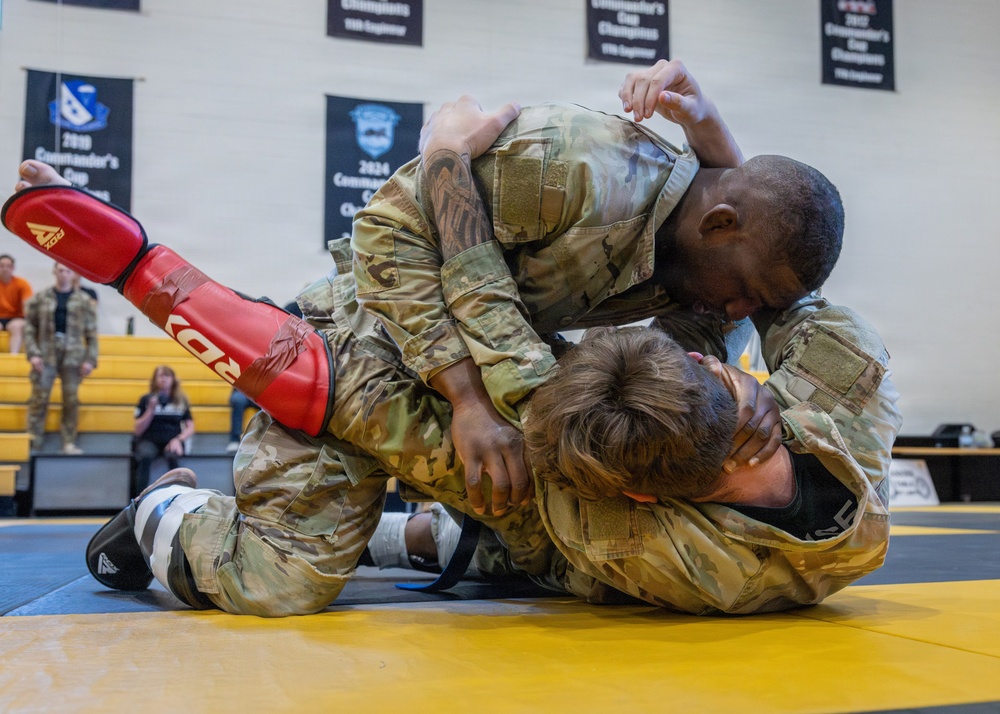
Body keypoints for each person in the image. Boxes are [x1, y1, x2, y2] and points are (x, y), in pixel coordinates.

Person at [4, 61, 874, 616]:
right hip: (384, 314)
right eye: (744, 305)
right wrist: (462, 393)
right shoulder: (571, 167)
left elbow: (749, 246)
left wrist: (453, 157)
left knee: (524, 505)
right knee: (281, 582)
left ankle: (393, 512)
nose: (729, 328)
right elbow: (387, 234)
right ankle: (177, 490)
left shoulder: (702, 288)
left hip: (510, 374)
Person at [23, 262, 97, 454]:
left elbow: (91, 334)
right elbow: (29, 328)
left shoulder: (83, 300)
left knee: (71, 400)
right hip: (45, 353)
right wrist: (33, 354)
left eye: (68, 271)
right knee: (39, 397)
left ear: (73, 274)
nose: (64, 274)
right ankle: (33, 441)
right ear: (54, 272)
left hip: (73, 355)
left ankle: (68, 442)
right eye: (61, 270)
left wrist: (90, 360)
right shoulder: (41, 298)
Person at [132, 365, 195, 492]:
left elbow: (190, 427)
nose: (163, 379)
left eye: (167, 376)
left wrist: (179, 439)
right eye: (160, 376)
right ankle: (140, 497)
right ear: (155, 379)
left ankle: (178, 495)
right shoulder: (146, 400)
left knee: (173, 456)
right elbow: (137, 429)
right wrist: (150, 410)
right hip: (150, 440)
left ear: (173, 379)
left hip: (173, 440)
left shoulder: (181, 400)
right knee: (145, 455)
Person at [0, 253, 32, 353]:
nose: (5, 269)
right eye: (2, 266)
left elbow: (27, 305)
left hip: (16, 317)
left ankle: (13, 356)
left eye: (8, 266)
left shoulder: (22, 283)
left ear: (13, 267)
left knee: (16, 327)